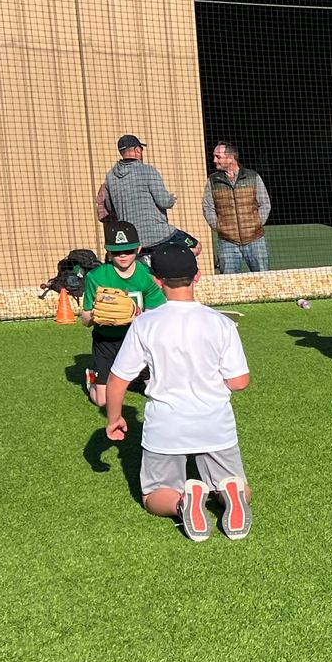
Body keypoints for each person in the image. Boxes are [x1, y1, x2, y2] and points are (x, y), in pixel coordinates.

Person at [104, 243, 251, 542]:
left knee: (154, 495)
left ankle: (183, 501)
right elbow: (239, 381)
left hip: (166, 425)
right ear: (197, 277)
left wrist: (114, 419)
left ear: (157, 281)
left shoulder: (145, 323)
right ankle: (230, 494)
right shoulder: (222, 323)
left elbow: (117, 380)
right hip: (215, 422)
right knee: (236, 482)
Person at [80, 221, 165, 407]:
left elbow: (157, 313)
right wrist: (96, 315)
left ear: (139, 249)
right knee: (103, 402)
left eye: (129, 250)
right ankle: (93, 379)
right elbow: (84, 319)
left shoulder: (146, 276)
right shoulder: (96, 276)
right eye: (117, 251)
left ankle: (136, 375)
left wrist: (137, 316)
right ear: (108, 252)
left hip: (139, 341)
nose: (123, 255)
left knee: (158, 392)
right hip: (107, 341)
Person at [97, 134, 176, 253]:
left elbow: (109, 206)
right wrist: (172, 199)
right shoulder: (148, 171)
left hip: (130, 238)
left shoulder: (110, 176)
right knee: (195, 246)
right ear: (137, 150)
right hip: (157, 234)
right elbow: (164, 202)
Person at [202, 141, 272, 274]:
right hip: (227, 242)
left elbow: (264, 203)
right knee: (228, 282)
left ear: (230, 158)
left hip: (256, 240)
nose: (214, 160)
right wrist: (218, 226)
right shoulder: (213, 180)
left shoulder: (253, 177)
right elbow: (207, 206)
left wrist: (256, 224)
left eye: (218, 157)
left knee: (265, 279)